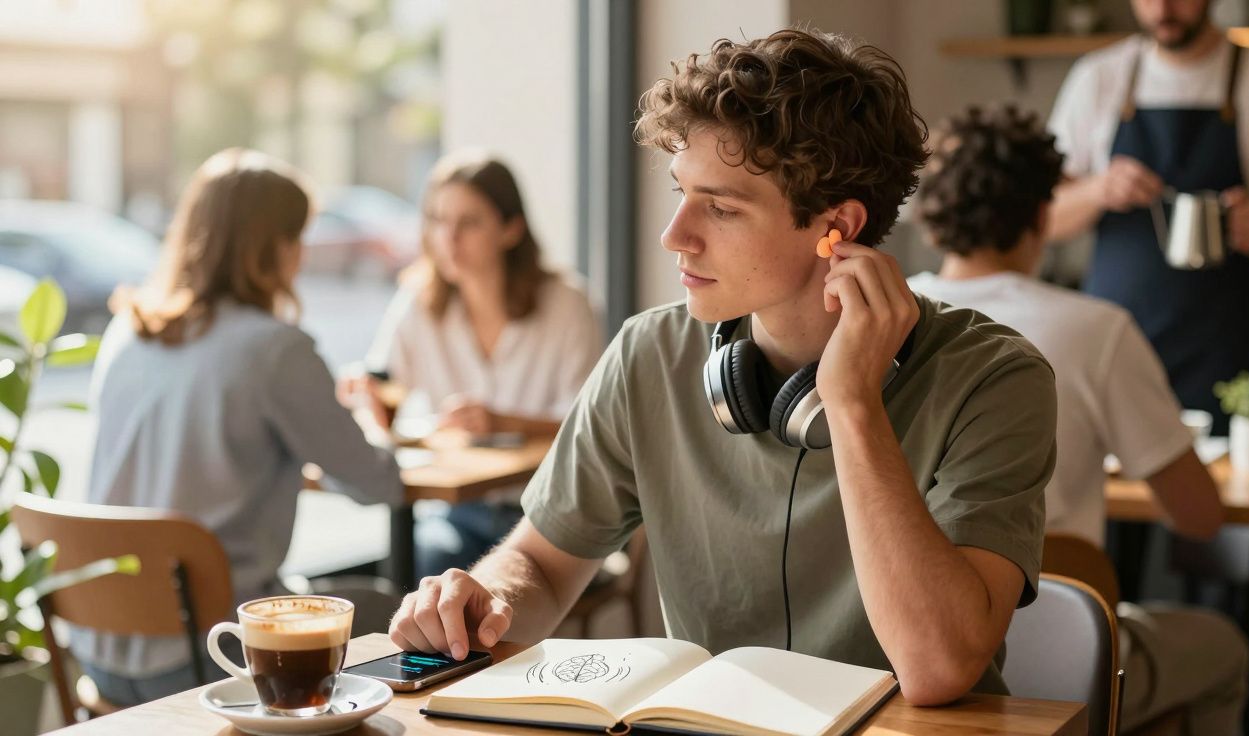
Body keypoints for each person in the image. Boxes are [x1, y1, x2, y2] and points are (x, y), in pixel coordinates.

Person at [389, 28, 1058, 706]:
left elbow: (939, 668)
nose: (674, 235)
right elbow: (541, 562)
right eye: (681, 193)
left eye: (721, 207)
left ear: (839, 228)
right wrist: (487, 598)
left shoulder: (995, 379)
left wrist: (852, 402)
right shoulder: (649, 354)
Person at [908, 104, 1248, 735]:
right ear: (1044, 215)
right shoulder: (1097, 330)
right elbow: (1198, 515)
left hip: (899, 655)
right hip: (1053, 658)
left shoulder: (876, 318)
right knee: (1221, 646)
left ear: (932, 219)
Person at [70, 148, 403, 704]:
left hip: (98, 652)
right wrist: (375, 418)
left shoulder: (128, 331)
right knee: (392, 611)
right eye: (297, 237)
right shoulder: (275, 350)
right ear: (274, 247)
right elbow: (377, 483)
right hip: (209, 656)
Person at [1046, 0, 1249, 435]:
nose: (1164, 7)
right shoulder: (1097, 79)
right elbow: (1043, 220)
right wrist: (1097, 190)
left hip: (1225, 357)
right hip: (1112, 353)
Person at [344, 152, 601, 578]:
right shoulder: (419, 302)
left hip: (548, 512)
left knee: (467, 584)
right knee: (428, 571)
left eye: (470, 222)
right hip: (458, 512)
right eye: (439, 220)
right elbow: (382, 385)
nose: (448, 238)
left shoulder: (567, 304)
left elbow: (589, 428)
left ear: (511, 229)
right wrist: (363, 393)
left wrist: (500, 421)